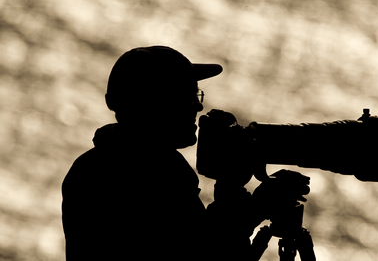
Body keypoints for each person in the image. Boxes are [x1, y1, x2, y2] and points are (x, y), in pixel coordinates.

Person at [61, 46, 265, 261]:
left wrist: (235, 193)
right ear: (151, 103)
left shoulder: (95, 164)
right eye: (185, 95)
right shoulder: (152, 172)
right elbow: (203, 252)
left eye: (196, 94)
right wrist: (248, 203)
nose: (197, 106)